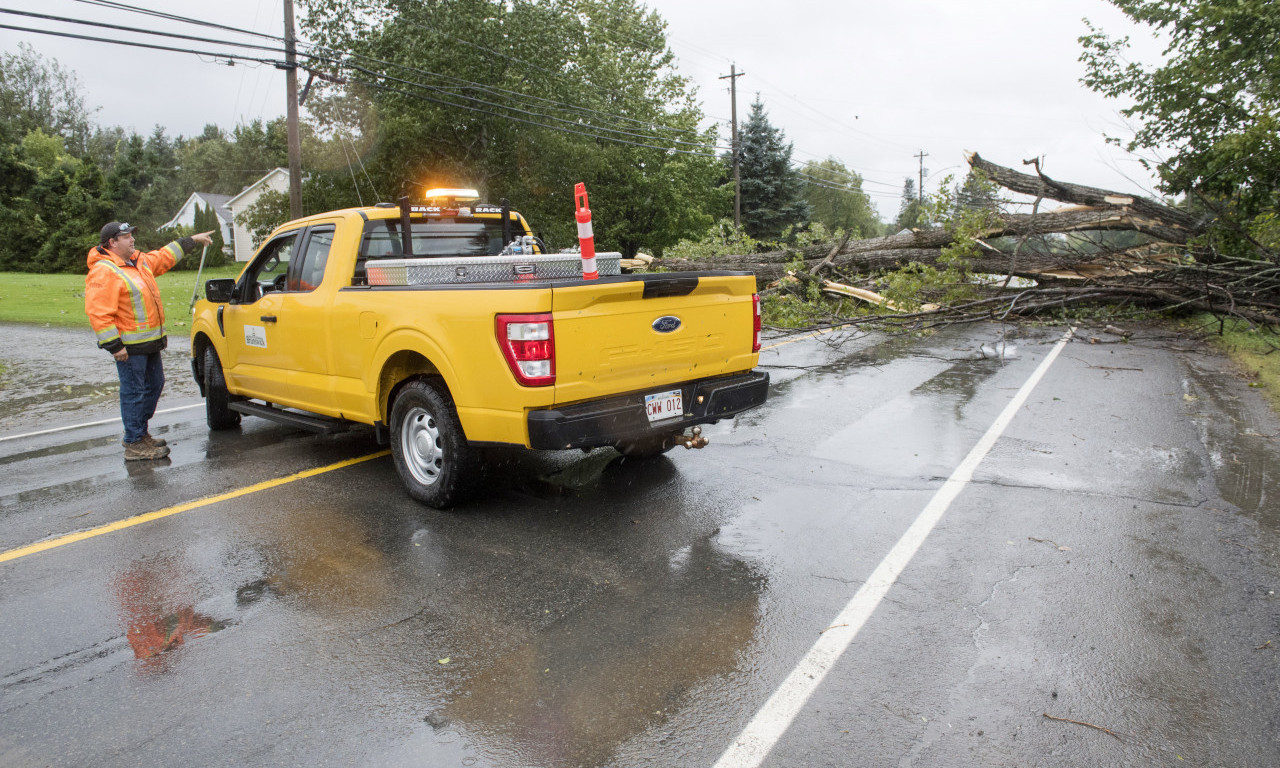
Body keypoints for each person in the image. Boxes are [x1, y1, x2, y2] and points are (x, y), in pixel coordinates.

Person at [85, 222, 214, 461]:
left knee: (154, 385)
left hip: (149, 343)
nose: (132, 239)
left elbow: (164, 256)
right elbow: (98, 312)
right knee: (134, 392)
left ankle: (140, 433)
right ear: (112, 242)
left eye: (132, 235)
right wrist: (115, 346)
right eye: (126, 236)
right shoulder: (104, 270)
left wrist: (192, 240)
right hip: (129, 348)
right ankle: (134, 442)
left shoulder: (137, 261)